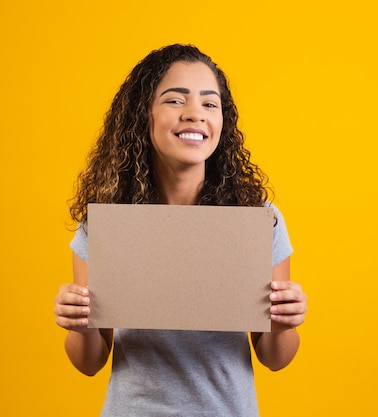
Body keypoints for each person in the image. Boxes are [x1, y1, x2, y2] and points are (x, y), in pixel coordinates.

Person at [54, 44, 308, 416]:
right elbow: (90, 361)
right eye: (175, 101)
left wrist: (285, 322)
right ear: (145, 114)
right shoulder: (107, 224)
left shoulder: (257, 220)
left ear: (223, 121)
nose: (194, 114)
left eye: (210, 104)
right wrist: (77, 321)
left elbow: (275, 357)